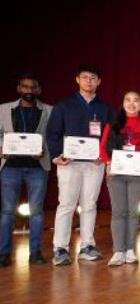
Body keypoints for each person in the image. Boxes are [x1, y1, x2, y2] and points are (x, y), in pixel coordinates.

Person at [45, 64, 114, 266]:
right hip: (69, 163)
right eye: (85, 77)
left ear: (99, 82)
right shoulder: (64, 106)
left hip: (95, 164)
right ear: (77, 80)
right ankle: (60, 248)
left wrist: (105, 155)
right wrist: (56, 155)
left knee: (89, 205)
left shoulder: (105, 108)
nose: (89, 81)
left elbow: (113, 135)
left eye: (93, 78)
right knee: (66, 204)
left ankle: (87, 246)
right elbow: (53, 133)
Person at [100, 91, 140, 266]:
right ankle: (118, 251)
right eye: (128, 100)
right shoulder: (113, 124)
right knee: (119, 212)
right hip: (116, 174)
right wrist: (108, 162)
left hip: (138, 173)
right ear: (123, 103)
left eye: (136, 100)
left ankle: (130, 250)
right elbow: (102, 147)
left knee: (133, 212)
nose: (132, 104)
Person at [0, 74, 52, 266]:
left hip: (37, 167)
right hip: (10, 167)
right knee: (7, 211)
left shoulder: (49, 110)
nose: (29, 90)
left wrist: (43, 150)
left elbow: (53, 136)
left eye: (33, 87)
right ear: (18, 88)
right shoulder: (3, 109)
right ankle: (4, 253)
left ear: (38, 90)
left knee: (36, 211)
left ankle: (35, 252)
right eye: (25, 87)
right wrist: (2, 148)